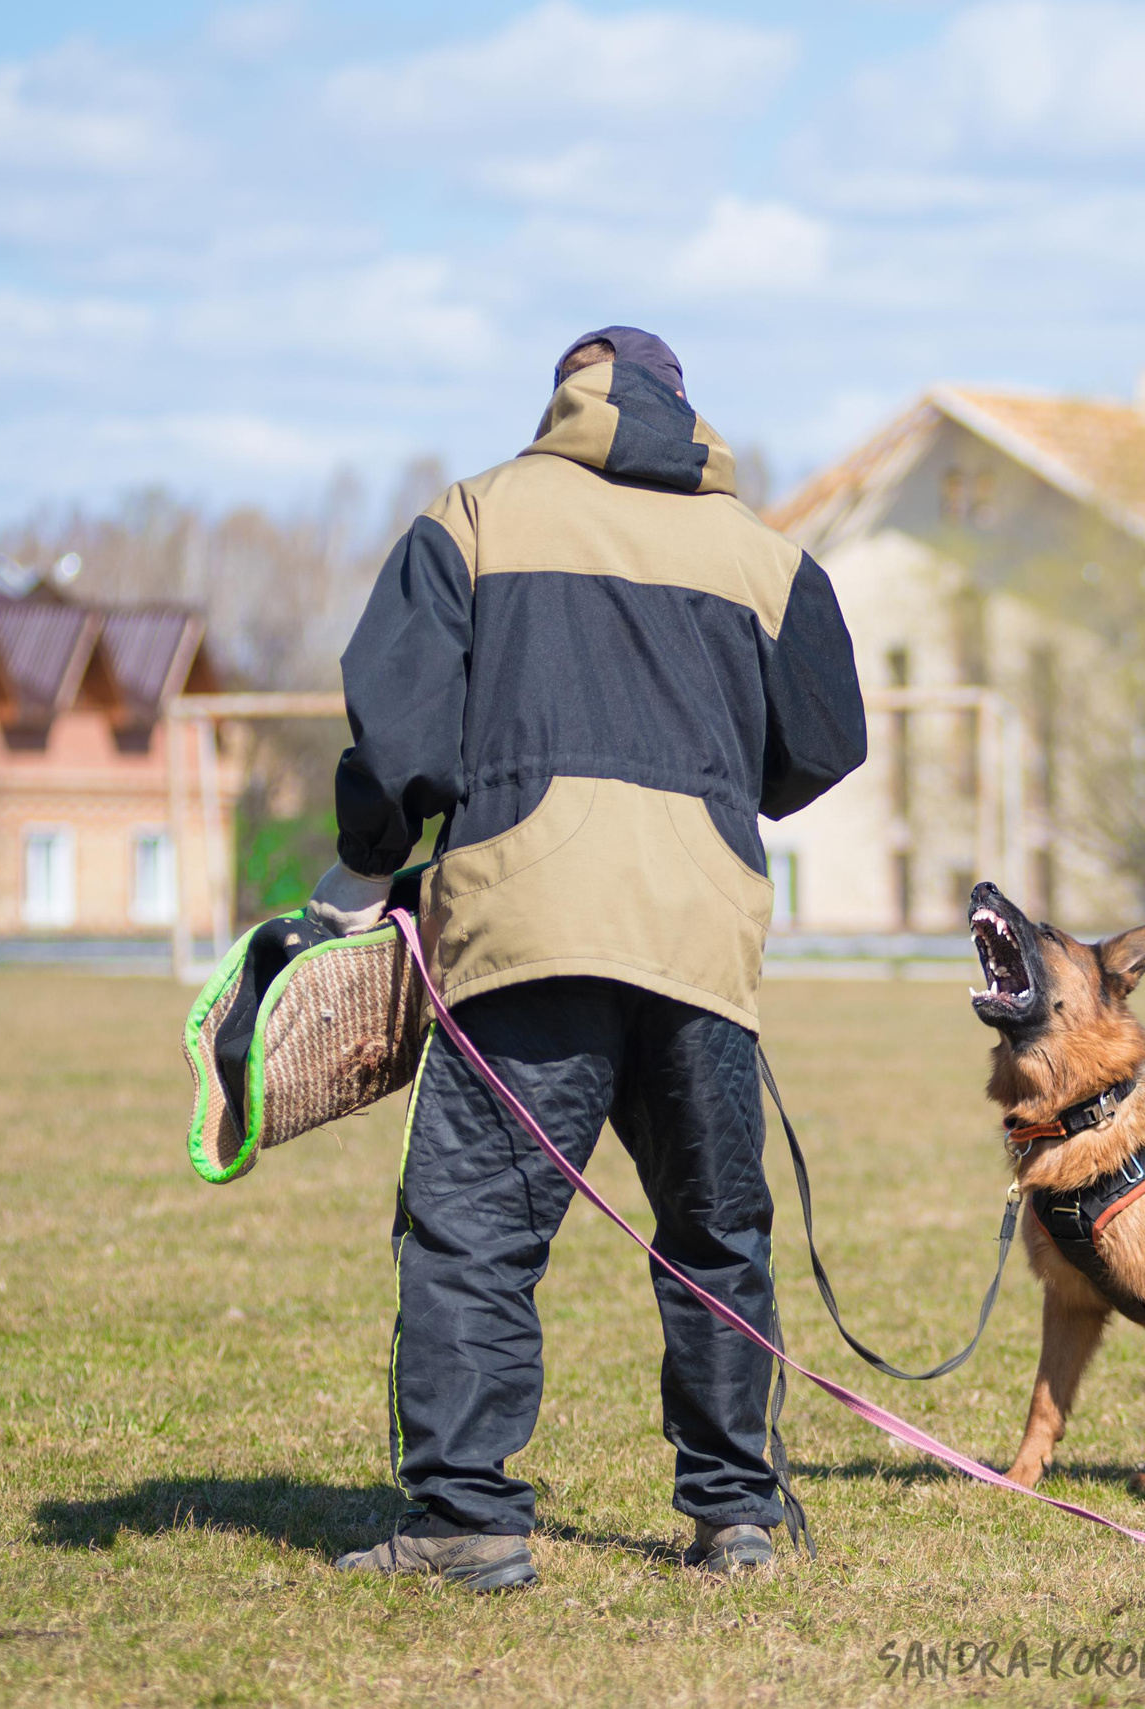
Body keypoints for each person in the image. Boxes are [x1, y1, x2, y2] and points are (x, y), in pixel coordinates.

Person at [309, 327, 867, 1587]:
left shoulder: (476, 514)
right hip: (698, 934)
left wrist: (363, 864)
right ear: (686, 407)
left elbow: (401, 730)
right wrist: (716, 792)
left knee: (474, 1233)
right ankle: (737, 1513)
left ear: (563, 398)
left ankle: (467, 1520)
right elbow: (826, 737)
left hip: (524, 923)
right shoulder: (765, 553)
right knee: (715, 1232)